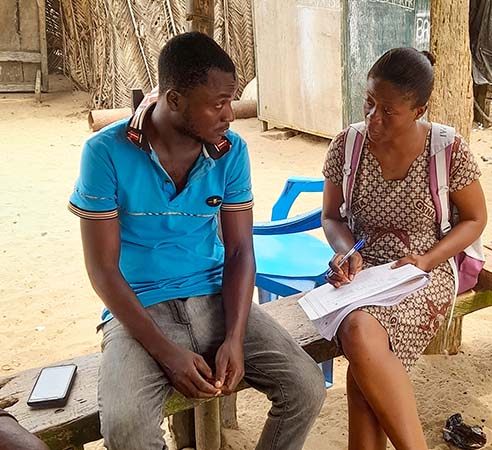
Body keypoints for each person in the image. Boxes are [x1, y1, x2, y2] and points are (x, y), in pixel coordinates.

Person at [68, 32, 325, 450]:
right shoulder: (105, 151)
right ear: (173, 101)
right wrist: (167, 354)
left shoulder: (230, 152)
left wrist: (236, 338)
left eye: (231, 100)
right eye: (218, 103)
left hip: (213, 296)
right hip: (139, 309)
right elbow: (102, 270)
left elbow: (241, 251)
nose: (230, 114)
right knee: (125, 428)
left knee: (305, 387)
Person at [321, 48, 488, 450]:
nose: (373, 118)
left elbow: (475, 219)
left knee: (359, 336)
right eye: (369, 102)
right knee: (362, 354)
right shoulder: (348, 145)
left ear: (419, 110)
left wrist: (426, 259)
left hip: (424, 271)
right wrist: (347, 252)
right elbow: (331, 217)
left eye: (389, 111)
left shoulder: (447, 149)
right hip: (364, 273)